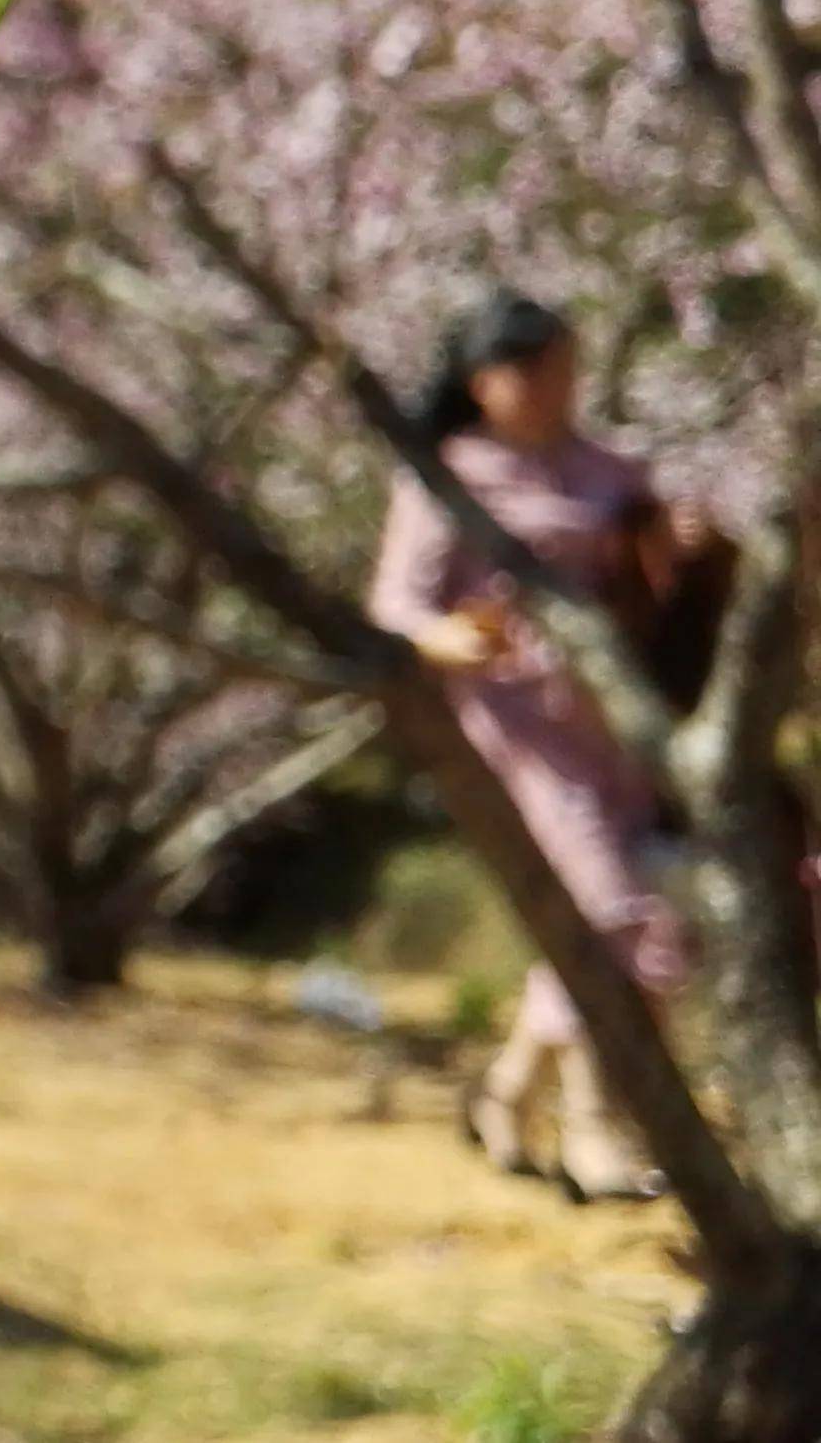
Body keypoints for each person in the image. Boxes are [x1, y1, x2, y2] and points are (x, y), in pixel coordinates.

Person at [367, 290, 709, 1203]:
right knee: (613, 914)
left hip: (613, 722)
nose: (561, 385)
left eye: (567, 365)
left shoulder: (608, 468)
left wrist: (673, 542)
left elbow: (653, 583)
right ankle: (596, 1130)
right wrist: (450, 639)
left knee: (623, 913)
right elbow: (397, 604)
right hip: (517, 728)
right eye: (541, 368)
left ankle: (510, 1094)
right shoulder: (447, 475)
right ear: (486, 381)